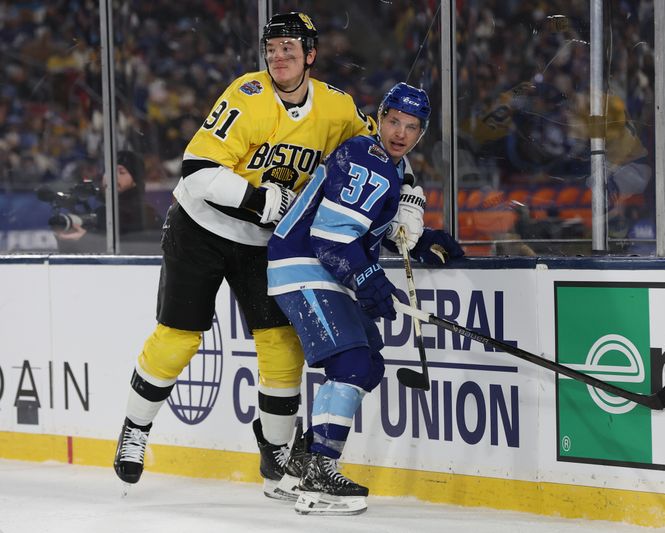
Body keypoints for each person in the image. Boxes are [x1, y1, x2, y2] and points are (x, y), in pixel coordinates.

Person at [112, 12, 380, 500]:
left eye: (289, 48)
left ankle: (275, 455)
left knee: (281, 347)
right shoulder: (247, 95)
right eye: (271, 47)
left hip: (262, 243)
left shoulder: (337, 108)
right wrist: (264, 202)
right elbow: (196, 171)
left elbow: (377, 153)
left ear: (310, 55)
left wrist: (408, 197)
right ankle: (135, 430)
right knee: (178, 340)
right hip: (202, 227)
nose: (278, 56)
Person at [266, 82, 464, 515]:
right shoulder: (366, 158)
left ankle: (300, 466)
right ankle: (321, 468)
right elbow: (331, 239)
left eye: (411, 127)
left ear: (420, 133)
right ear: (379, 119)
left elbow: (362, 228)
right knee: (351, 363)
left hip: (321, 269)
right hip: (304, 266)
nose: (400, 133)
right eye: (393, 121)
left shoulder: (384, 164)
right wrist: (368, 277)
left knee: (369, 363)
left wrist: (421, 237)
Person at [49, 150, 163, 253]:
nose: (112, 177)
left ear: (135, 181)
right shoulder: (101, 213)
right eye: (108, 171)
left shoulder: (144, 213)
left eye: (121, 172)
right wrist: (67, 242)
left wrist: (87, 240)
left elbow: (136, 250)